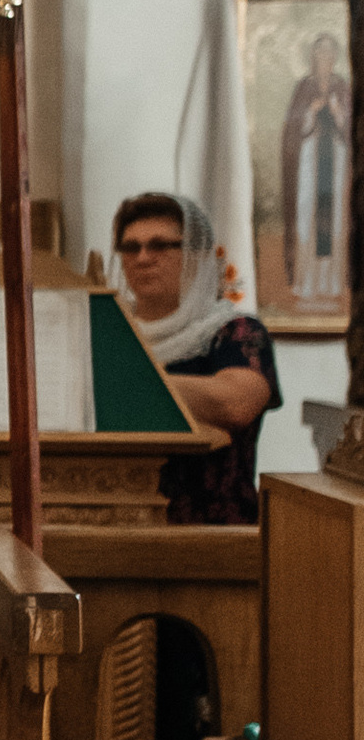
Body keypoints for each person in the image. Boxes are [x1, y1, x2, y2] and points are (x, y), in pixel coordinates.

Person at [113, 189, 278, 525]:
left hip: (211, 528)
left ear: (197, 255)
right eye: (131, 247)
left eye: (160, 245)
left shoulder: (236, 332)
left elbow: (235, 405)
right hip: (116, 519)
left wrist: (123, 382)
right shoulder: (111, 330)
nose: (142, 258)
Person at [281, 33, 351, 310]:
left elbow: (351, 128)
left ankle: (330, 285)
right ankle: (307, 284)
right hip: (309, 162)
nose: (324, 56)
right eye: (320, 51)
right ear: (313, 55)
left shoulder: (342, 86)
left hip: (335, 161)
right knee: (308, 217)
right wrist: (311, 111)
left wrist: (337, 112)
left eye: (329, 51)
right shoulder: (304, 87)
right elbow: (292, 128)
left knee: (334, 220)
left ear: (335, 57)